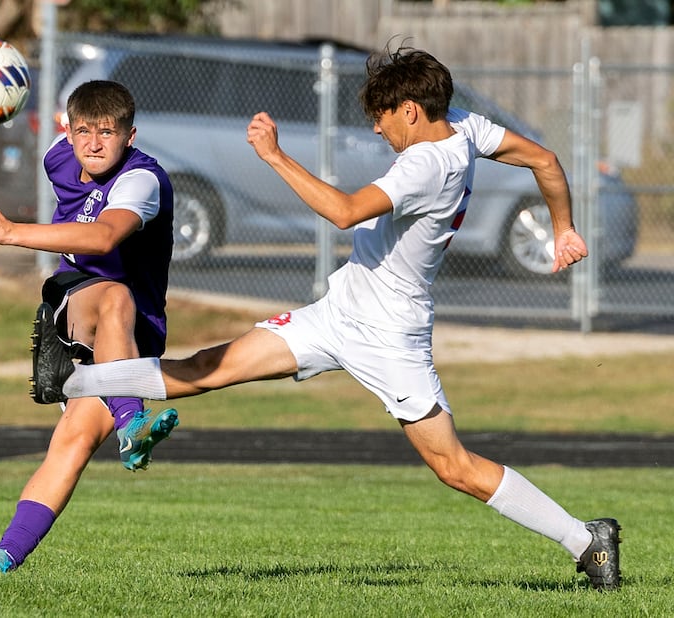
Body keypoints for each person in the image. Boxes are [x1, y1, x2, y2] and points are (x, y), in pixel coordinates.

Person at [33, 46, 621, 590]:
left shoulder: (426, 166)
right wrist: (563, 227)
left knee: (454, 466)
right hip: (338, 313)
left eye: (383, 116)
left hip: (391, 336)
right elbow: (542, 158)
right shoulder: (464, 125)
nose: (376, 127)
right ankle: (71, 379)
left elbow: (342, 212)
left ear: (412, 111)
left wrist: (275, 156)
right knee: (209, 368)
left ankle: (584, 539)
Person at [0, 80, 179, 573]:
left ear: (130, 135)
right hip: (76, 298)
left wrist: (11, 233)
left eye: (107, 131)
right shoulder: (58, 157)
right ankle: (132, 424)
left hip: (134, 332)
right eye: (83, 131)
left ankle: (1, 557)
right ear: (68, 132)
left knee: (73, 444)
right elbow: (92, 256)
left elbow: (102, 237)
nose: (94, 143)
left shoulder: (142, 182)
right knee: (113, 295)